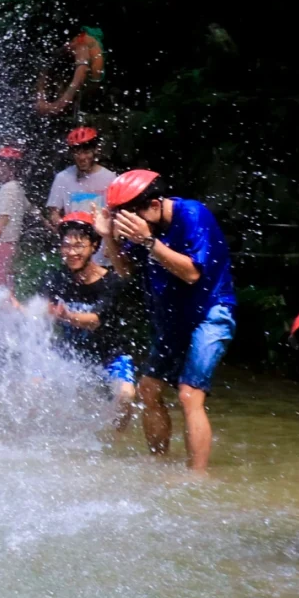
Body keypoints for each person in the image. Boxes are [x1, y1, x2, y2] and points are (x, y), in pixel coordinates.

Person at [104, 169, 236, 474]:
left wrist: (149, 242)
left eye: (128, 215)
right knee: (148, 390)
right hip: (172, 319)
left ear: (152, 205)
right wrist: (107, 236)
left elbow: (191, 273)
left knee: (189, 394)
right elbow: (124, 271)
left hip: (211, 314)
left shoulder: (192, 214)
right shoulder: (144, 227)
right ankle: (158, 464)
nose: (127, 224)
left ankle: (197, 477)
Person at [35, 213, 136, 427]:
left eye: (79, 246)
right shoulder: (55, 278)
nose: (72, 252)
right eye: (66, 246)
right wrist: (16, 308)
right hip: (70, 353)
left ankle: (118, 441)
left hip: (110, 355)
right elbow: (39, 310)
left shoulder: (111, 281)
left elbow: (95, 320)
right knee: (33, 386)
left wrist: (68, 316)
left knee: (125, 395)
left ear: (94, 246)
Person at [0, 147, 29, 290]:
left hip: (1, 244)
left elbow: (4, 218)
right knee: (3, 284)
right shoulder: (17, 188)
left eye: (1, 165)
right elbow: (30, 208)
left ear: (12, 168)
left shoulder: (9, 189)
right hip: (8, 245)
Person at [35, 26, 104, 117]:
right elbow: (45, 70)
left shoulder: (81, 45)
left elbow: (78, 81)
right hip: (83, 74)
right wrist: (40, 98)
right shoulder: (66, 47)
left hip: (93, 83)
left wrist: (57, 107)